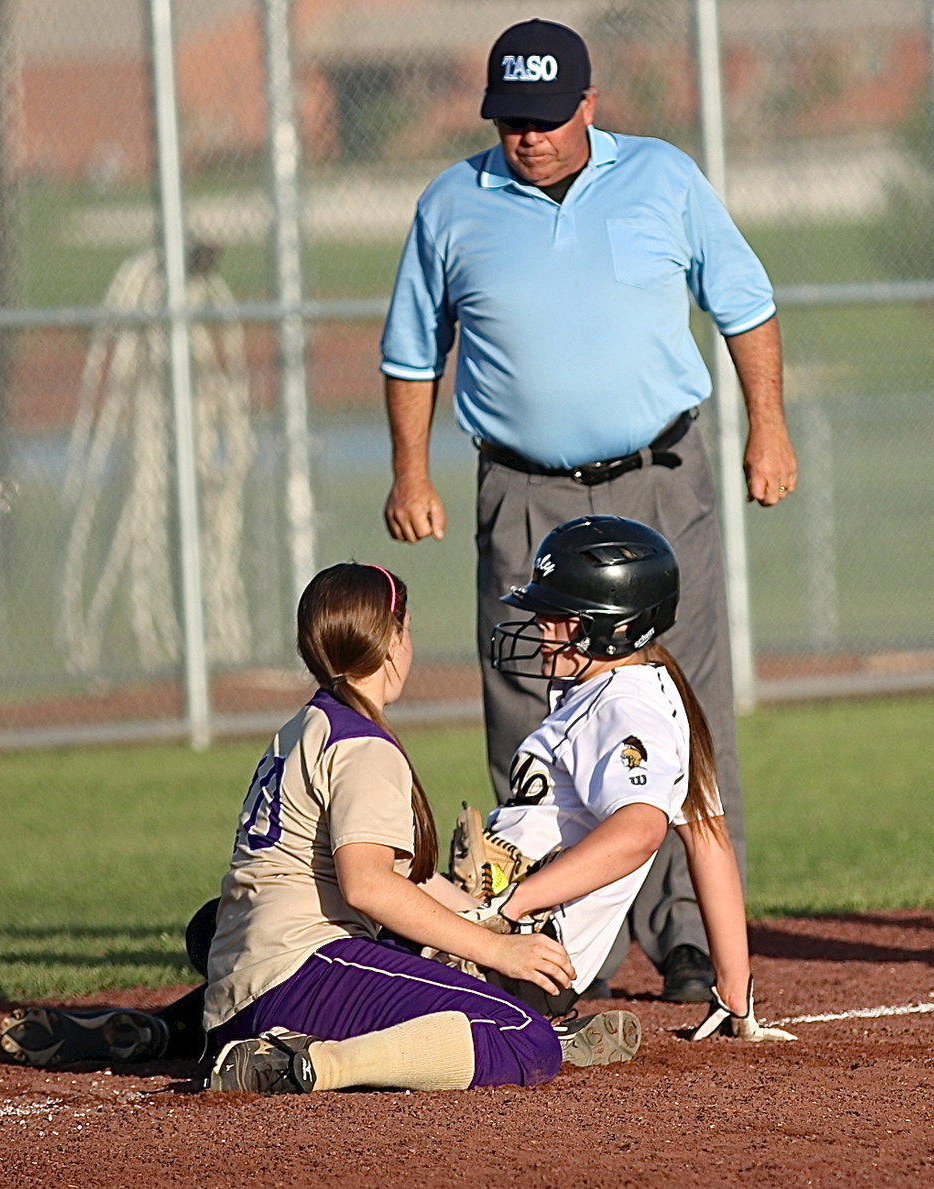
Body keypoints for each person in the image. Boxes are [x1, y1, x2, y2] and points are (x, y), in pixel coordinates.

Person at [379, 18, 798, 1004]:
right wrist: (411, 472)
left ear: (589, 105)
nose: (526, 136)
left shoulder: (662, 179)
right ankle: (559, 940)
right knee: (534, 715)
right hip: (521, 488)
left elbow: (744, 303)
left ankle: (689, 936)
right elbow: (411, 349)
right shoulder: (453, 203)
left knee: (684, 708)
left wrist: (768, 429)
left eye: (545, 118)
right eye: (510, 119)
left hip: (659, 477)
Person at [3, 562, 643, 1088]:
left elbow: (398, 878)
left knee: (415, 951)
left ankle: (173, 1030)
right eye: (407, 630)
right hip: (294, 976)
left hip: (245, 980)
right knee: (524, 1040)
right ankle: (309, 1064)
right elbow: (369, 887)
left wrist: (482, 915)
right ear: (392, 641)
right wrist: (497, 948)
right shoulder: (364, 746)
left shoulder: (309, 722)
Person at [482, 514, 794, 1042]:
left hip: (520, 950)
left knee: (347, 983)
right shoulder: (649, 692)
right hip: (516, 938)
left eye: (554, 614)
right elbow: (708, 838)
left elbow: (641, 830)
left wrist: (508, 908)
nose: (536, 625)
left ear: (609, 626)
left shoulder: (624, 708)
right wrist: (735, 995)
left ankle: (533, 1042)